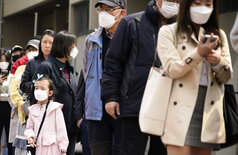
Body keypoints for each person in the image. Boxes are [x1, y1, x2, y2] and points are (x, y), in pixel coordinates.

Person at [101, 0, 179, 154]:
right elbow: (113, 63)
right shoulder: (132, 22)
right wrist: (111, 97)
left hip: (169, 105)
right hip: (134, 103)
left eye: (178, 1)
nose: (174, 3)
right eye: (170, 0)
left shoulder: (182, 28)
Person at [157, 0, 233, 154]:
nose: (202, 9)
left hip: (209, 107)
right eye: (197, 3)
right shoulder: (169, 32)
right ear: (186, 5)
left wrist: (218, 61)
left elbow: (227, 76)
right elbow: (172, 69)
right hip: (179, 105)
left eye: (208, 4)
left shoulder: (219, 34)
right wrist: (198, 54)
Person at [75, 0, 126, 154]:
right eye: (100, 10)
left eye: (109, 9)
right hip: (96, 110)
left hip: (122, 107)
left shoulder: (131, 35)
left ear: (121, 12)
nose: (103, 14)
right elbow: (86, 73)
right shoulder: (91, 39)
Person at [32, 31, 78, 155]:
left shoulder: (70, 68)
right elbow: (37, 95)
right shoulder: (46, 67)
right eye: (72, 46)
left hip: (70, 125)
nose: (75, 49)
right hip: (51, 129)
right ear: (64, 46)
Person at [24, 74, 69, 155]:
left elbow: (61, 129)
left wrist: (63, 145)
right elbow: (29, 127)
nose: (38, 91)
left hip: (52, 148)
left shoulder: (55, 108)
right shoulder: (33, 109)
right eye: (36, 88)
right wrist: (30, 137)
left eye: (43, 88)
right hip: (38, 147)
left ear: (50, 93)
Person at [20, 29, 55, 100]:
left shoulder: (58, 63)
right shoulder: (32, 63)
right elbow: (23, 86)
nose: (47, 46)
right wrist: (37, 85)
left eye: (51, 43)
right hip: (36, 103)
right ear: (40, 44)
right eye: (44, 42)